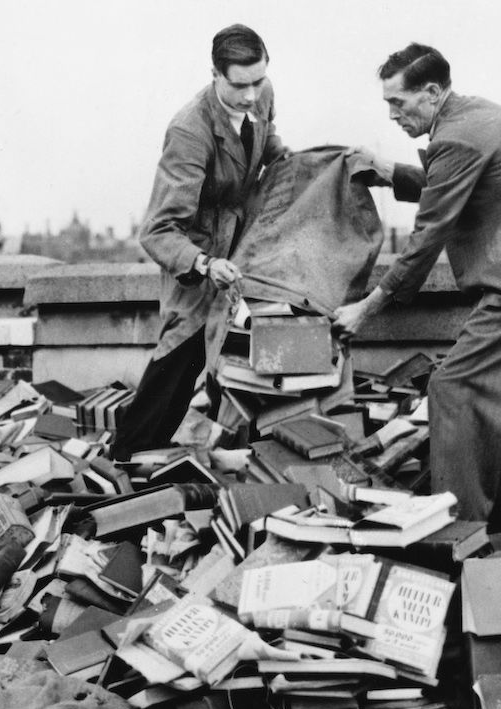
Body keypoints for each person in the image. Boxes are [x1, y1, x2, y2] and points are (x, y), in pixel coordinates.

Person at [335, 43, 501, 533]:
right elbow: (453, 180)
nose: (392, 114)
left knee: (454, 388)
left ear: (432, 92)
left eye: (399, 103)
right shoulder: (470, 116)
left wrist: (367, 308)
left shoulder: (457, 136)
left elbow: (427, 235)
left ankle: (458, 534)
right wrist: (390, 172)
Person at [111, 24, 288, 461]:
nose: (251, 96)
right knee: (179, 362)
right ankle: (126, 460)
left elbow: (266, 146)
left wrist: (291, 160)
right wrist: (205, 265)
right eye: (239, 85)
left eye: (258, 81)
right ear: (215, 74)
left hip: (240, 253)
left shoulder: (261, 96)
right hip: (195, 264)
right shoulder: (190, 130)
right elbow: (157, 230)